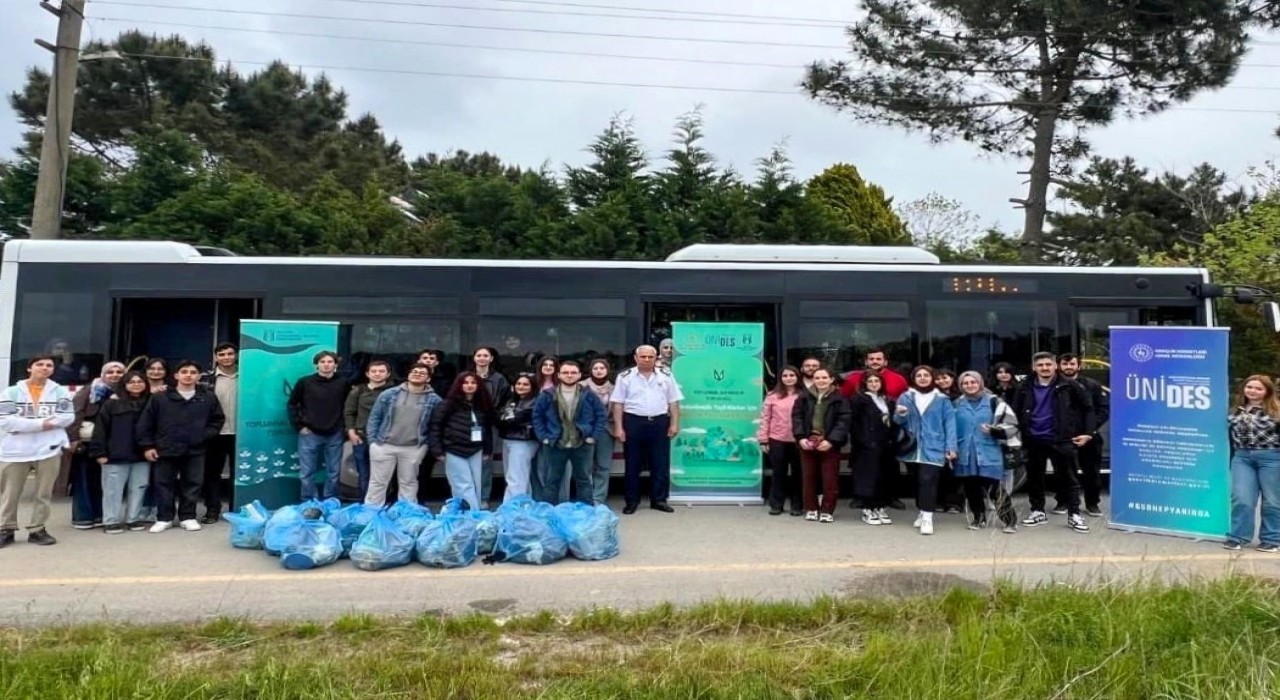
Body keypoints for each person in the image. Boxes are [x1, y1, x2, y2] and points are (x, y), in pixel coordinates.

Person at [1011, 352, 1096, 533]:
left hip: (1062, 439)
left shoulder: (1070, 385)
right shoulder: (1023, 387)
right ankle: (1037, 511)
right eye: (1040, 365)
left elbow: (1088, 408)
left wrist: (1088, 433)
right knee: (1035, 478)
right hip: (1033, 439)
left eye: (1048, 364)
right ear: (1034, 367)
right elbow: (1015, 412)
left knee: (1069, 478)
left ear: (1055, 366)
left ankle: (1074, 514)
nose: (1044, 368)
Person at [136, 360, 225, 533]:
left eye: (193, 372)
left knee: (192, 483)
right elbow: (146, 423)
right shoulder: (160, 398)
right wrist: (147, 446)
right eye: (184, 372)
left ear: (199, 376)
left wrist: (203, 435)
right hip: (165, 447)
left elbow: (217, 420)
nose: (188, 375)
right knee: (163, 484)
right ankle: (164, 518)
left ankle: (188, 516)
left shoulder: (207, 397)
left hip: (195, 449)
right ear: (176, 375)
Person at [0, 356, 75, 547]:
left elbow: (67, 418)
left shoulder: (60, 392)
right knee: (10, 493)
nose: (44, 368)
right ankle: (5, 528)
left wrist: (25, 425)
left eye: (49, 365)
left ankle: (37, 529)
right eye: (39, 364)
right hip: (15, 450)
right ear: (29, 368)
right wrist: (42, 423)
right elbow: (6, 421)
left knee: (44, 493)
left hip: (47, 449)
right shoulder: (11, 392)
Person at [611, 345, 683, 515]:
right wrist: (619, 427)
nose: (646, 360)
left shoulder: (666, 376)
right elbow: (618, 404)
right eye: (642, 357)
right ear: (636, 358)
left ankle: (658, 500)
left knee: (660, 463)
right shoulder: (625, 377)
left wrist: (674, 424)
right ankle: (632, 501)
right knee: (633, 464)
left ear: (655, 357)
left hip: (659, 422)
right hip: (633, 422)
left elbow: (673, 402)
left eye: (650, 357)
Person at [363, 363, 442, 507]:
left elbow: (435, 426)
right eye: (414, 371)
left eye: (422, 373)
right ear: (408, 375)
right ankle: (370, 515)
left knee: (409, 483)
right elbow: (375, 418)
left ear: (429, 379)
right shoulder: (389, 394)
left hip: (413, 448)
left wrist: (425, 446)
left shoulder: (434, 400)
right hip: (384, 445)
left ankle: (406, 515)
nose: (417, 374)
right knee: (378, 483)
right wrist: (373, 442)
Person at [953, 371, 1019, 533]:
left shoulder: (995, 401)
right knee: (971, 488)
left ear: (980, 383)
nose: (969, 385)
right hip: (965, 453)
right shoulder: (956, 404)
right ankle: (979, 518)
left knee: (994, 489)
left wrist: (994, 431)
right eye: (965, 383)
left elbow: (1012, 424)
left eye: (973, 382)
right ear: (961, 386)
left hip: (989, 451)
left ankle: (1010, 520)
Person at [894, 366, 957, 536]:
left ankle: (928, 517)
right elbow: (897, 421)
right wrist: (900, 414)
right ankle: (922, 511)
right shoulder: (906, 396)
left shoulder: (942, 399)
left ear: (932, 378)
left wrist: (951, 447)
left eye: (926, 375)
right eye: (919, 375)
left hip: (934, 446)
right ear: (913, 379)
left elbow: (950, 423)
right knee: (916, 482)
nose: (922, 378)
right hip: (912, 447)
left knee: (928, 480)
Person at [533, 361, 607, 505]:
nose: (569, 375)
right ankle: (549, 514)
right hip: (555, 444)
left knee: (584, 480)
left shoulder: (588, 394)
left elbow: (601, 415)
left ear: (579, 375)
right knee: (552, 480)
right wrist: (543, 437)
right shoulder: (548, 395)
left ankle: (587, 515)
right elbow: (537, 416)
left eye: (573, 373)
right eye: (566, 373)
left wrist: (593, 436)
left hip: (583, 443)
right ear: (559, 375)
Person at [88, 371, 151, 533]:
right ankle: (111, 521)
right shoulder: (111, 404)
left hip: (141, 455)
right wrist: (99, 453)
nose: (136, 384)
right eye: (132, 382)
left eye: (140, 381)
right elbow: (100, 429)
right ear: (124, 384)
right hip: (115, 455)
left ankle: (133, 519)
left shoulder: (151, 403)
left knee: (139, 487)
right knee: (112, 490)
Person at [1224, 375, 1280, 552]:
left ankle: (1272, 539)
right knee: (1242, 498)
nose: (1253, 391)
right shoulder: (1235, 410)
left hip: (1271, 457)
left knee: (1272, 500)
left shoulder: (1276, 410)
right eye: (1250, 387)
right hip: (1242, 457)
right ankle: (1238, 536)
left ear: (1267, 392)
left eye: (1258, 388)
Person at [69, 361, 126, 529]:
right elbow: (76, 413)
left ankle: (101, 515)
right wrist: (73, 438)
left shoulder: (126, 392)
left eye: (119, 372)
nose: (115, 375)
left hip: (112, 442)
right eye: (110, 372)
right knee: (84, 480)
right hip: (88, 442)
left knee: (104, 481)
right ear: (103, 375)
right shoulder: (89, 390)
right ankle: (83, 517)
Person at [287, 350, 350, 501]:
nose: (326, 365)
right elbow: (292, 404)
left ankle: (330, 501)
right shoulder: (305, 382)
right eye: (322, 362)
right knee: (307, 472)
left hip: (335, 432)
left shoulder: (343, 383)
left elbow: (349, 407)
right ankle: (309, 502)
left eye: (330, 362)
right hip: (310, 433)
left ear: (335, 364)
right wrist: (299, 426)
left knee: (334, 471)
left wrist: (343, 427)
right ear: (317, 365)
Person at [791, 367, 850, 523]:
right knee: (809, 478)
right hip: (808, 443)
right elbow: (796, 418)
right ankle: (811, 508)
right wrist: (801, 438)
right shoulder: (803, 397)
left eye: (824, 377)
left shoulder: (840, 398)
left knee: (829, 479)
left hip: (829, 444)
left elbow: (843, 422)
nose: (821, 381)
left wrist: (831, 441)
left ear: (831, 379)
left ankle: (827, 510)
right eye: (817, 378)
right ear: (813, 380)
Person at [429, 372, 495, 511]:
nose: (469, 386)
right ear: (459, 385)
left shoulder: (482, 405)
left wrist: (488, 449)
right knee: (462, 484)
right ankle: (472, 514)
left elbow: (487, 428)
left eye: (473, 383)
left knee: (476, 483)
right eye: (466, 382)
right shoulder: (447, 404)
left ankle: (468, 512)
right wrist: (437, 450)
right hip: (454, 450)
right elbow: (435, 427)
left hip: (476, 450)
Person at [1057, 353, 1109, 517]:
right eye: (1065, 364)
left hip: (1089, 437)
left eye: (1072, 364)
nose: (1068, 367)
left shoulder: (1092, 385)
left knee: (1092, 472)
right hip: (1063, 437)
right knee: (1063, 471)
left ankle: (1092, 503)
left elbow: (1103, 410)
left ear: (1078, 366)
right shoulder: (1054, 385)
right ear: (1059, 366)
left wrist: (1090, 431)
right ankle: (1063, 502)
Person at [848, 370, 897, 526]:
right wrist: (862, 441)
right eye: (870, 381)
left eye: (877, 381)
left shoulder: (887, 400)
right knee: (868, 478)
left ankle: (879, 507)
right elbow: (853, 424)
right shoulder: (858, 399)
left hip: (885, 445)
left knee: (883, 477)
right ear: (864, 384)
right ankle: (868, 509)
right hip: (866, 446)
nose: (874, 384)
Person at [199, 342, 239, 524]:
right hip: (215, 433)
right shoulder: (205, 379)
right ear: (216, 357)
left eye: (230, 354)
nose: (226, 357)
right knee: (212, 474)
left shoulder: (247, 376)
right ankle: (212, 511)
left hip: (242, 432)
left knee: (238, 473)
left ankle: (236, 509)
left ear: (236, 355)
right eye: (222, 354)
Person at [344, 360, 393, 502]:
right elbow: (349, 412)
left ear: (388, 374)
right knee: (364, 473)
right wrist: (351, 432)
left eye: (381, 371)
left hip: (385, 439)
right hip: (361, 437)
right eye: (374, 371)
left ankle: (384, 503)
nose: (377, 374)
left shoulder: (394, 392)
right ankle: (364, 503)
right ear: (367, 374)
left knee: (384, 474)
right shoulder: (358, 390)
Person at [757, 365, 803, 516]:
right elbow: (765, 418)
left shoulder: (804, 395)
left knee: (798, 473)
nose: (789, 378)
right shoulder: (772, 395)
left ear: (797, 377)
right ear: (780, 378)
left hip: (799, 440)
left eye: (792, 375)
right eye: (785, 376)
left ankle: (797, 505)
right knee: (779, 473)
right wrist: (763, 440)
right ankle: (776, 504)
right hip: (777, 439)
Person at [471, 346, 510, 506]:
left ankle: (483, 497)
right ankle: (467, 497)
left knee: (485, 461)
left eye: (485, 355)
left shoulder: (499, 379)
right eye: (479, 355)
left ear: (491, 359)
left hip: (489, 425)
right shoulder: (467, 377)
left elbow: (505, 401)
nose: (482, 358)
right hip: (467, 423)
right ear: (474, 358)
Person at [497, 374, 540, 503]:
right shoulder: (510, 401)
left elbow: (514, 419)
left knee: (517, 478)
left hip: (524, 441)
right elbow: (501, 418)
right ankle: (523, 505)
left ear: (533, 387)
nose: (521, 387)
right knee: (513, 476)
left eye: (526, 384)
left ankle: (512, 508)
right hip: (508, 439)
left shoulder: (535, 401)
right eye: (518, 384)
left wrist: (508, 418)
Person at [581, 359, 615, 505]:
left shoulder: (614, 388)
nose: (599, 370)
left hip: (606, 430)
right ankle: (586, 497)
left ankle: (598, 498)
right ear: (591, 370)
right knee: (585, 466)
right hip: (586, 429)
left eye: (602, 368)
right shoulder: (581, 386)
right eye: (596, 368)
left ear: (607, 370)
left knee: (603, 466)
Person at [840, 348, 909, 400]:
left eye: (878, 359)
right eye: (871, 359)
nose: (874, 361)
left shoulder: (899, 380)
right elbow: (843, 401)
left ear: (885, 362)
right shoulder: (853, 379)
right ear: (866, 362)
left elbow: (906, 402)